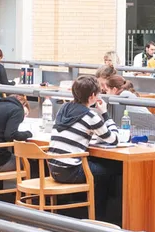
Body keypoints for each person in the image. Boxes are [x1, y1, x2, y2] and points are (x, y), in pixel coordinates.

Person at [47, 76, 120, 222]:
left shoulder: (63, 109)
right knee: (110, 171)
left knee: (95, 166)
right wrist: (105, 113)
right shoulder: (90, 116)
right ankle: (100, 217)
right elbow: (114, 139)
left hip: (53, 168)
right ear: (92, 96)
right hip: (70, 171)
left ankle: (83, 211)